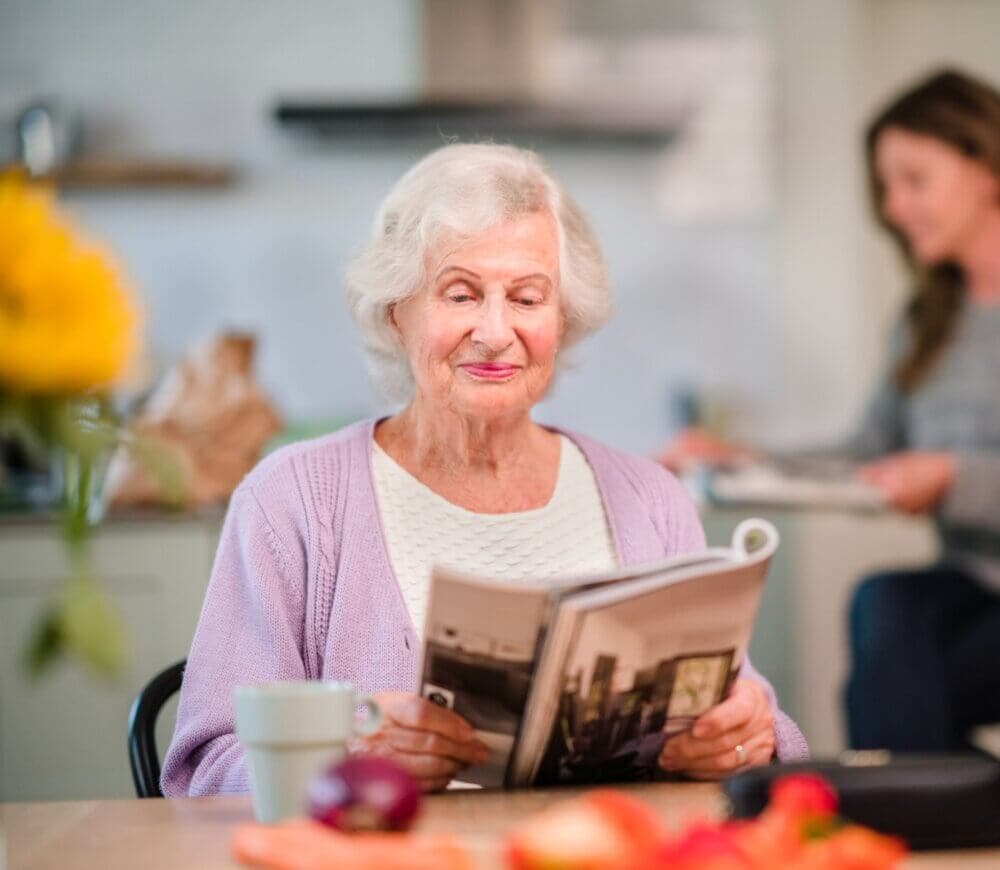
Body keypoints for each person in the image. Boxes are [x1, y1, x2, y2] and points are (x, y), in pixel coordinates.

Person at [162, 143, 807, 797]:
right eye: (461, 294)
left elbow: (758, 728)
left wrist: (746, 739)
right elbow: (203, 769)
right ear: (396, 313)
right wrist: (344, 754)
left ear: (564, 321)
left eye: (527, 298)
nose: (496, 332)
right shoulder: (290, 501)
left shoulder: (651, 499)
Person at [659, 69, 1000, 752]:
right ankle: (915, 814)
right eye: (885, 187)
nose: (895, 207)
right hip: (977, 596)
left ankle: (902, 813)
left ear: (986, 165)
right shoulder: (927, 324)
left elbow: (939, 471)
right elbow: (866, 454)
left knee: (900, 660)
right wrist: (744, 460)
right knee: (888, 612)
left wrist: (952, 477)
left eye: (915, 179)